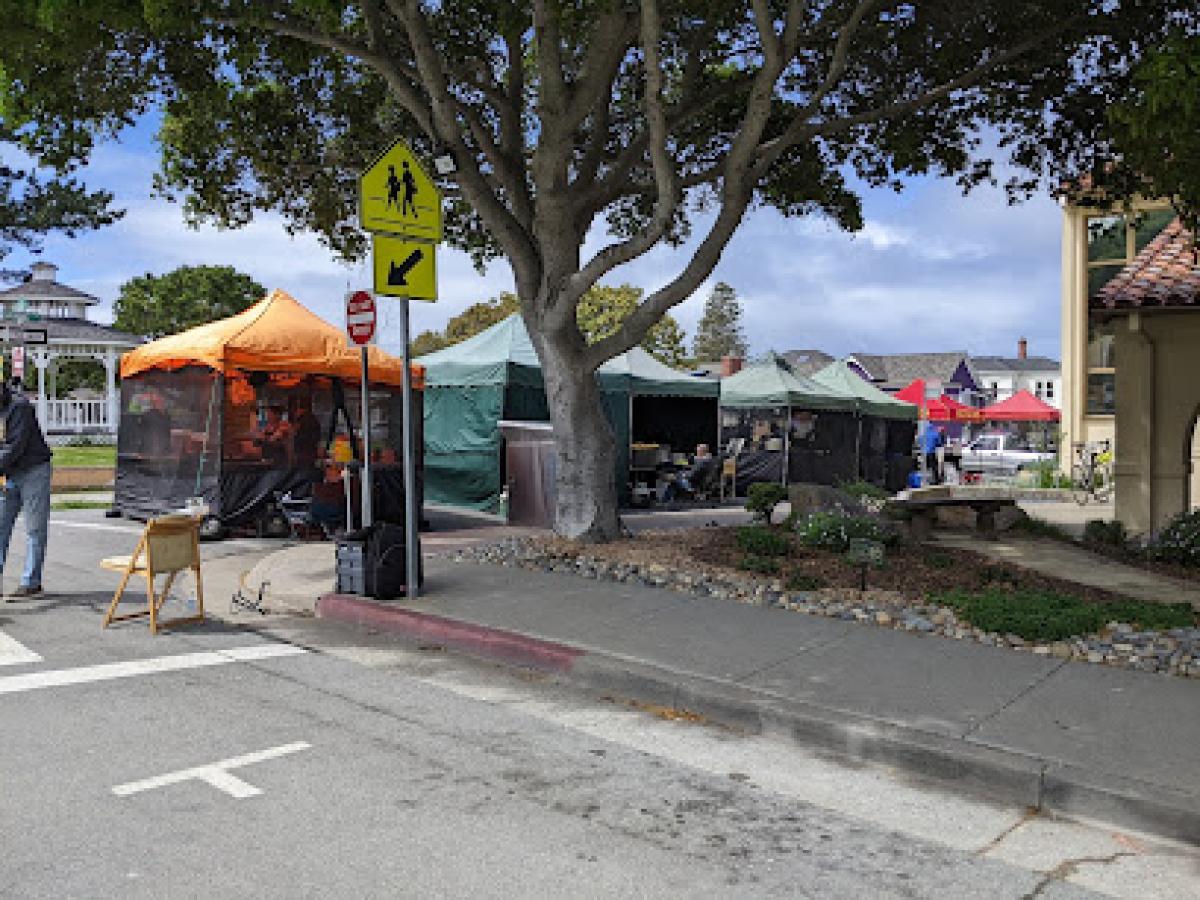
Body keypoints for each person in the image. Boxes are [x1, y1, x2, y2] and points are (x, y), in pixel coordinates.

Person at [0, 379, 53, 599]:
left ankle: (32, 583)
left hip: (34, 471)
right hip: (8, 473)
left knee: (34, 529)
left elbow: (15, 446)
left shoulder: (19, 407)